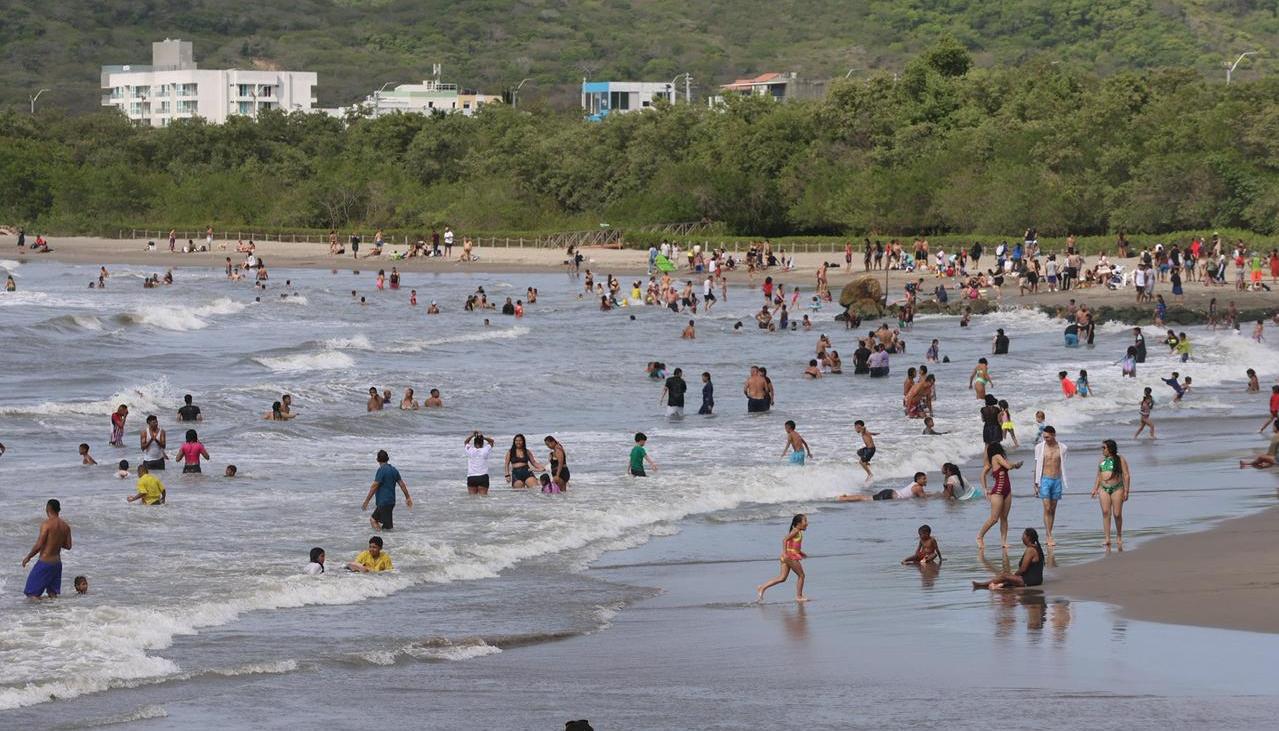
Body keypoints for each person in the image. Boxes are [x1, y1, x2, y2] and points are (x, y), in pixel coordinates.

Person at [21, 499, 72, 599]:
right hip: (57, 564)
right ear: (59, 509)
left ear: (48, 508)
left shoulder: (47, 524)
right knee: (53, 595)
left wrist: (28, 557)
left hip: (45, 563)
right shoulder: (65, 526)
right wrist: (55, 542)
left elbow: (39, 544)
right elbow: (68, 546)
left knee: (31, 594)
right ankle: (56, 614)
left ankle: (37, 615)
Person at [755, 514, 809, 603]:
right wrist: (784, 553)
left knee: (782, 578)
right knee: (801, 575)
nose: (807, 523)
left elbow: (793, 545)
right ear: (798, 523)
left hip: (787, 556)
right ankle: (799, 596)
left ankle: (762, 587)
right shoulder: (795, 531)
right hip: (789, 556)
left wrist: (800, 552)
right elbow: (784, 540)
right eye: (805, 521)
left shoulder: (798, 531)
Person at [978, 442, 1023, 550]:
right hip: (998, 491)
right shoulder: (996, 457)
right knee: (994, 519)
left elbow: (982, 474)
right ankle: (979, 537)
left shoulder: (995, 460)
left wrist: (985, 489)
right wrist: (1015, 465)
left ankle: (1003, 542)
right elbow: (1008, 466)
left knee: (1004, 518)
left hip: (1007, 490)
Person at [1090, 439, 1131, 549]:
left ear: (1110, 448)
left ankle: (1119, 536)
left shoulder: (1120, 459)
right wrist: (1095, 488)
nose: (1102, 450)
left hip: (1117, 488)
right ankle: (1107, 538)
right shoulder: (1101, 461)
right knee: (1105, 512)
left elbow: (1126, 475)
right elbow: (1099, 476)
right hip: (1103, 488)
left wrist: (1127, 491)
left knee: (1117, 514)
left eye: (1104, 448)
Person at [972, 528, 1044, 590]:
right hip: (1036, 580)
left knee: (1005, 576)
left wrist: (1014, 575)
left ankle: (982, 585)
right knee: (1007, 576)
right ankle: (1000, 585)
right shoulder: (1037, 548)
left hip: (1030, 581)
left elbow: (1023, 569)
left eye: (1023, 535)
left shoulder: (1030, 550)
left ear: (1028, 537)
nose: (1022, 538)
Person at [1033, 426, 1068, 547]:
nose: (1046, 439)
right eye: (1044, 437)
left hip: (1056, 480)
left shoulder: (1063, 448)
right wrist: (1035, 484)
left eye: (1047, 437)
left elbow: (1062, 464)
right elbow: (1037, 465)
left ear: (1054, 435)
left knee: (1053, 509)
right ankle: (1048, 535)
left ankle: (1049, 532)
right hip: (1044, 480)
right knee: (1047, 508)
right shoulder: (1039, 447)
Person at [361, 450, 413, 529]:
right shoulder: (394, 470)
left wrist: (367, 501)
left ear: (377, 460)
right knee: (382, 524)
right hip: (391, 502)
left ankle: (384, 538)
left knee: (376, 521)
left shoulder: (381, 470)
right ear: (387, 459)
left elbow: (374, 486)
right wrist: (407, 497)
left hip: (383, 502)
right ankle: (385, 538)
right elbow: (402, 485)